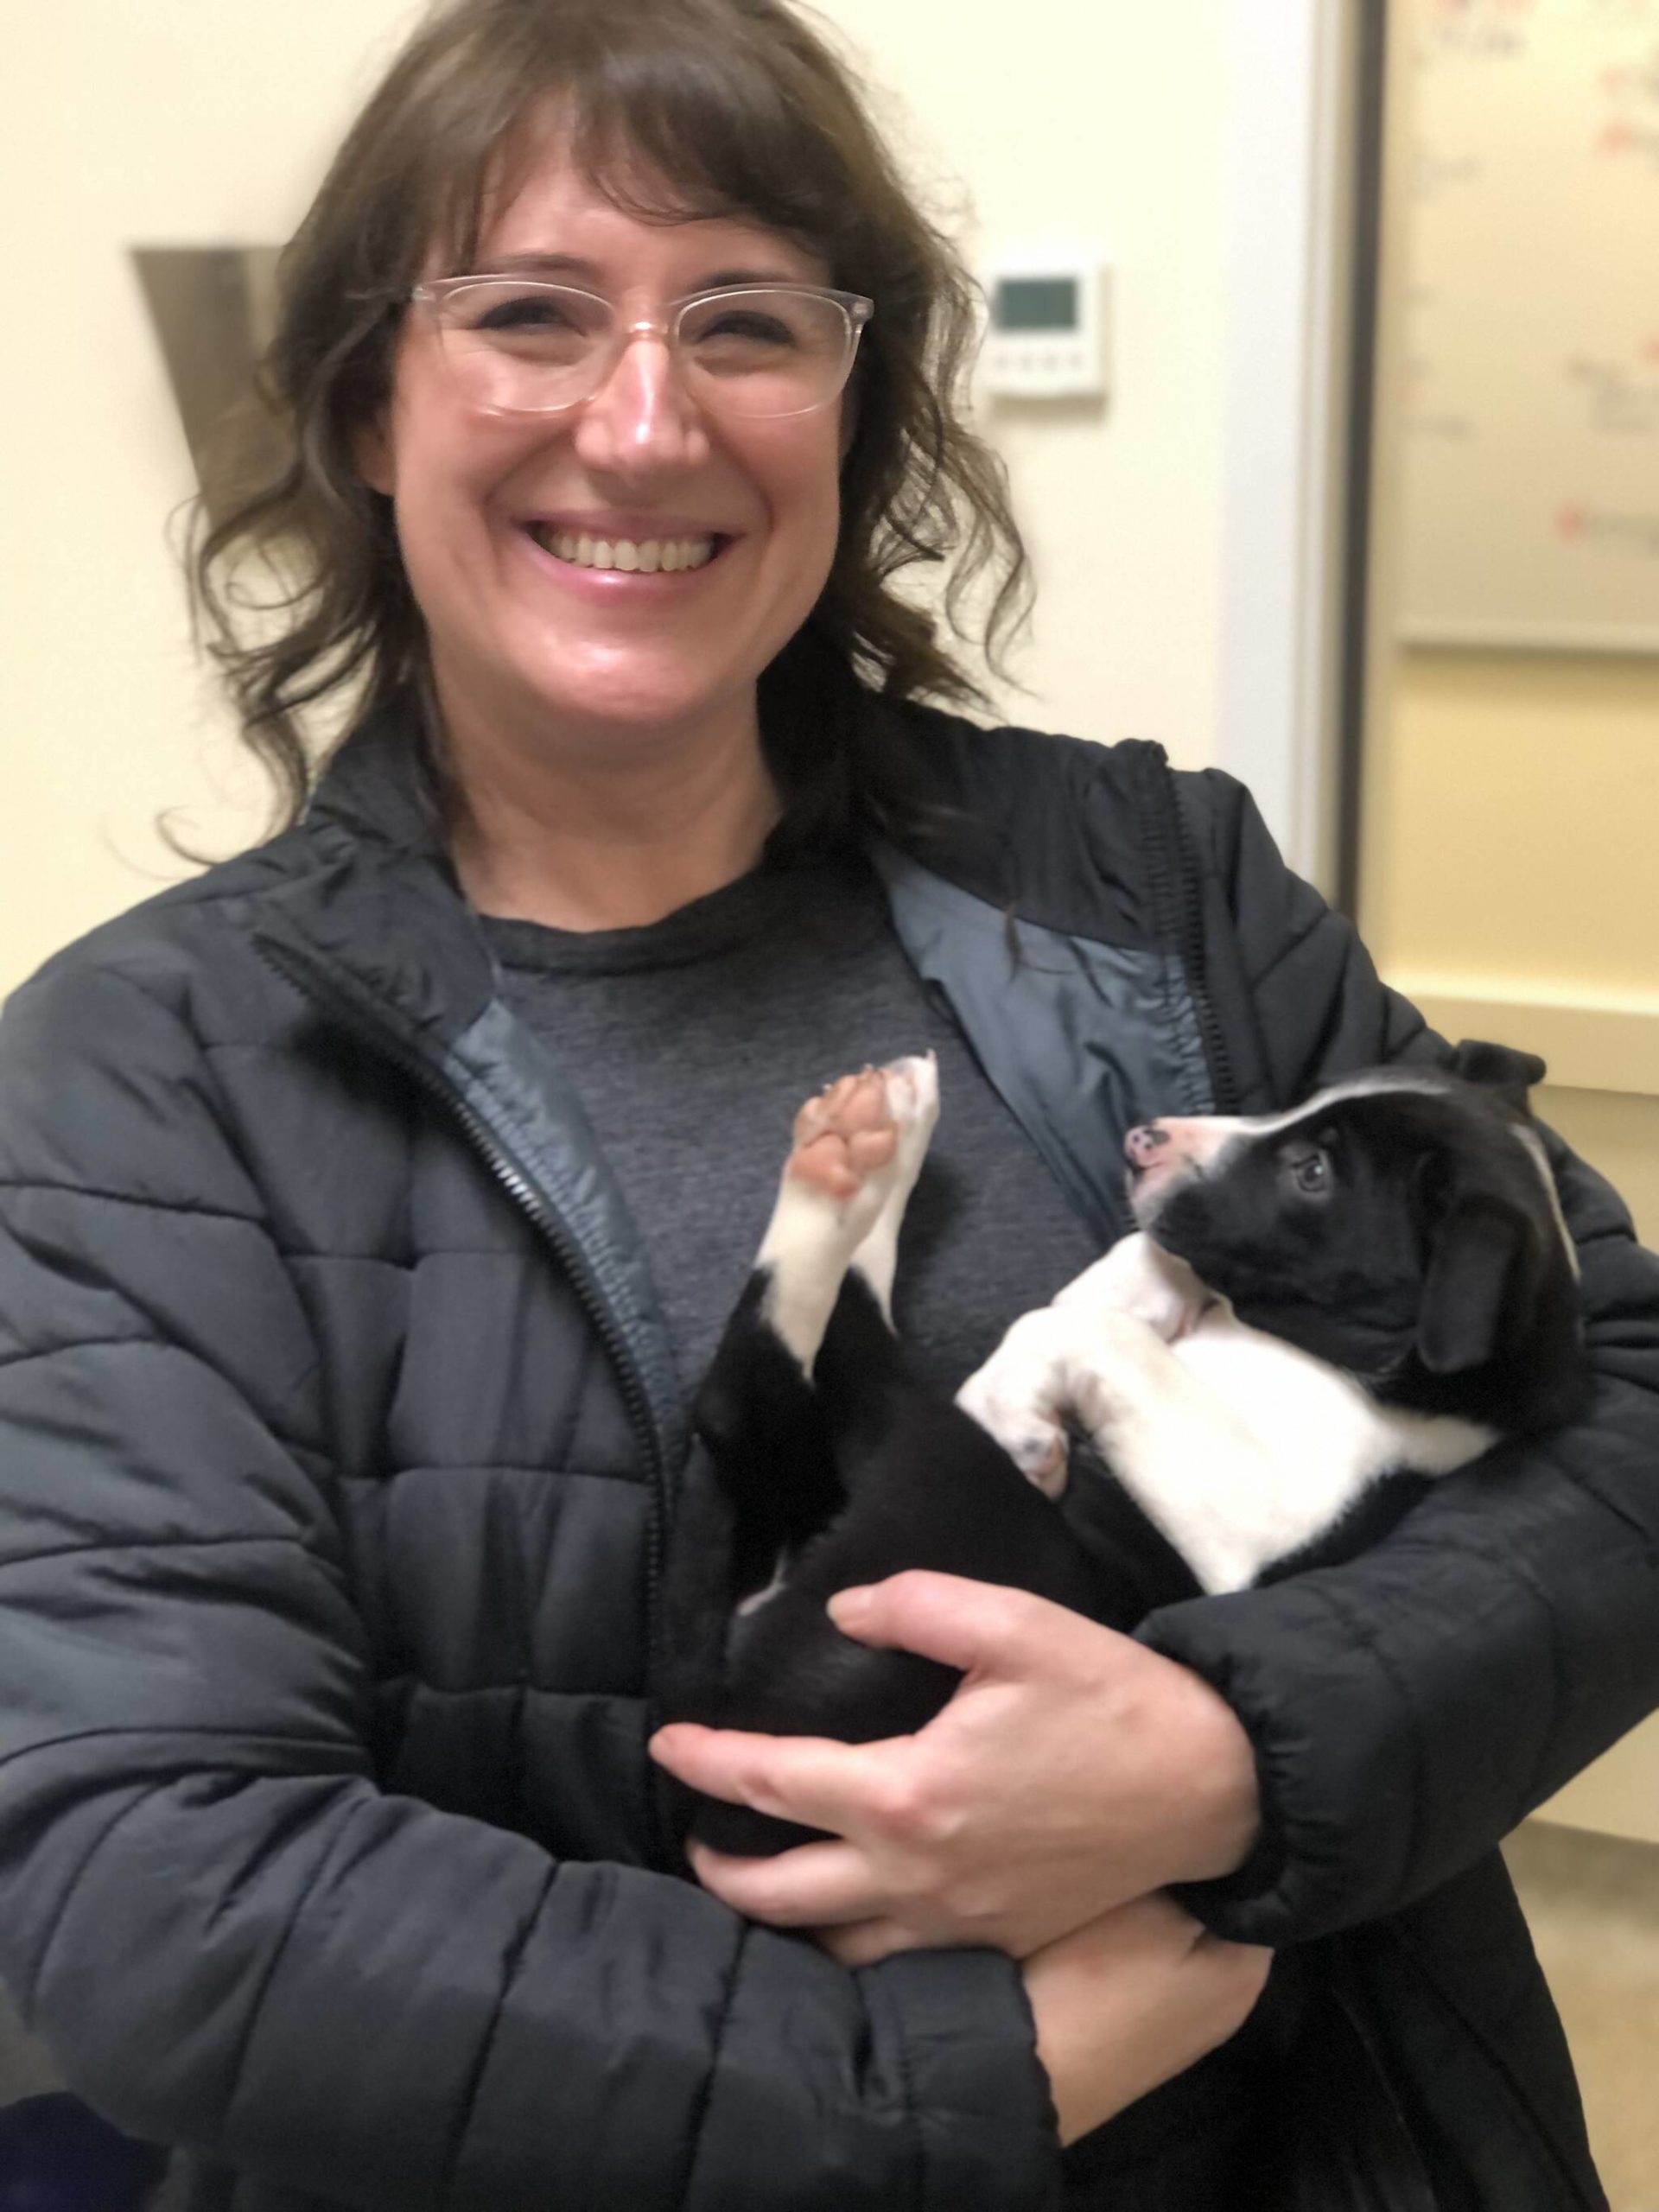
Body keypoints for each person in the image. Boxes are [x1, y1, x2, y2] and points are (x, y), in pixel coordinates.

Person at [0, 1, 1653, 2205]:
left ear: (852, 412)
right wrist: (938, 2076)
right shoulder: (149, 1068)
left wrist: (1240, 1753)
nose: (649, 416)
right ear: (367, 404)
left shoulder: (1153, 887)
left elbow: (1622, 1389)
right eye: (530, 311)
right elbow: (151, 1880)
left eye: (749, 319)